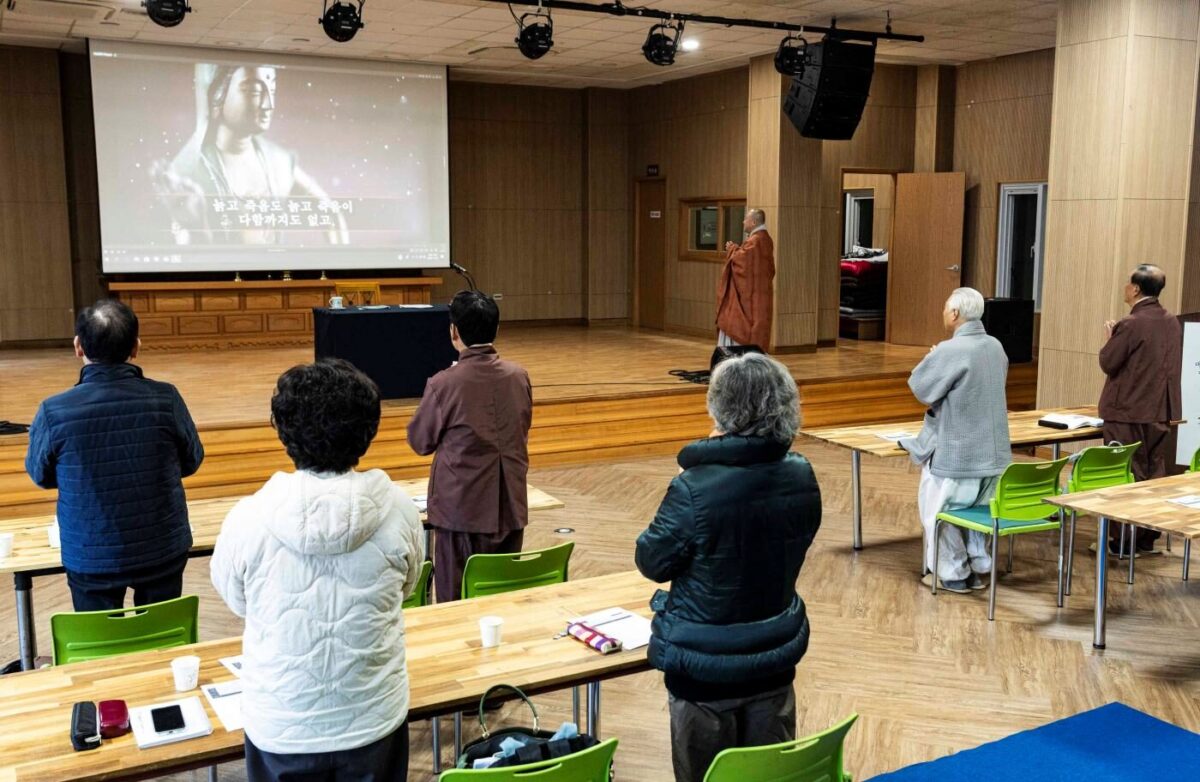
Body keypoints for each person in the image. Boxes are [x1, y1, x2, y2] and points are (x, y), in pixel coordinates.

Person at [211, 359, 424, 782]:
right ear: (368, 430)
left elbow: (238, 602)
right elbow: (407, 585)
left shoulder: (248, 517)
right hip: (372, 715)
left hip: (281, 723)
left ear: (283, 431)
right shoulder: (399, 509)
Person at [635, 352, 820, 782]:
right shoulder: (801, 473)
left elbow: (652, 560)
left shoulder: (693, 487)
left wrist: (684, 484)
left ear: (721, 408)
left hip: (704, 671)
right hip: (774, 660)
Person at [25, 299, 204, 611]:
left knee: (101, 650)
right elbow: (191, 460)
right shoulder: (166, 398)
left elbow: (41, 475)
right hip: (162, 547)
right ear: (136, 347)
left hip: (90, 553)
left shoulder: (54, 410)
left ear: (78, 347)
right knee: (161, 639)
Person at [407, 290, 533, 602]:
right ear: (497, 329)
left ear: (454, 332)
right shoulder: (519, 376)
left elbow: (420, 442)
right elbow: (522, 427)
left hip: (461, 509)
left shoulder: (444, 383)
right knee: (501, 594)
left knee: (454, 601)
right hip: (510, 504)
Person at [157, 64, 347, 245]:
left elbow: (330, 213)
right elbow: (180, 247)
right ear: (217, 96)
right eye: (255, 91)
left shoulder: (277, 161)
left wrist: (343, 271)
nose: (268, 104)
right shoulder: (189, 170)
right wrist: (197, 227)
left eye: (272, 90)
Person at [899, 287, 1011, 594]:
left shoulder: (950, 351)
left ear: (955, 314)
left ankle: (953, 574)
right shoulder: (995, 346)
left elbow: (921, 387)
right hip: (993, 452)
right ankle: (976, 566)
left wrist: (933, 358)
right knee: (973, 512)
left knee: (939, 511)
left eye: (945, 308)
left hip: (958, 451)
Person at [1098, 264, 1183, 554]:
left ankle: (1122, 542)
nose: (1125, 287)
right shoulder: (1171, 321)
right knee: (1154, 473)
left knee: (1125, 474)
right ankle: (1146, 538)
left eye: (1127, 283)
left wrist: (1110, 339)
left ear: (1135, 288)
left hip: (1127, 411)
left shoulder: (1131, 324)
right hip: (1161, 409)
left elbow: (1109, 362)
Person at [717, 207, 775, 350]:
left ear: (753, 222)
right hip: (761, 293)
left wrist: (732, 249)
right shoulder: (765, 239)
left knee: (742, 323)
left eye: (746, 219)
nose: (743, 222)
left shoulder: (756, 240)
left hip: (751, 297)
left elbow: (743, 263)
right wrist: (736, 249)